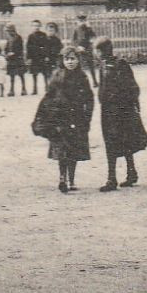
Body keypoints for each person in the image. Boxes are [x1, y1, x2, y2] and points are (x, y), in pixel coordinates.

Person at [34, 45, 95, 192]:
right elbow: (48, 97)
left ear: (78, 60)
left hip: (77, 118)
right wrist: (45, 116)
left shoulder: (82, 77)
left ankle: (72, 180)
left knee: (73, 150)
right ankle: (62, 178)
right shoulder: (57, 76)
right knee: (62, 150)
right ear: (62, 60)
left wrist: (87, 117)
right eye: (67, 59)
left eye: (73, 59)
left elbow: (89, 98)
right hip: (60, 119)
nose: (70, 62)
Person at [96, 38, 147, 190]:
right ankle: (116, 176)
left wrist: (127, 103)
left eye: (98, 51)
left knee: (124, 142)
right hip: (107, 111)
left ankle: (120, 176)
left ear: (105, 50)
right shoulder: (103, 65)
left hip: (121, 111)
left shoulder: (121, 64)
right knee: (110, 142)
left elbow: (133, 87)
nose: (97, 54)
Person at [73, 14, 100, 87]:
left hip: (87, 49)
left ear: (85, 21)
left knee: (91, 66)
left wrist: (91, 42)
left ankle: (94, 81)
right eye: (80, 21)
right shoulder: (76, 29)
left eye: (83, 20)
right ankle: (82, 83)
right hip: (79, 50)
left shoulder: (88, 29)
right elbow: (74, 40)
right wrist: (78, 47)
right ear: (77, 21)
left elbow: (93, 37)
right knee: (80, 67)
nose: (82, 22)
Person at [25, 20, 51, 95]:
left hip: (42, 57)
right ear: (32, 27)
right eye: (34, 26)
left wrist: (46, 56)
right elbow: (28, 47)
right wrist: (28, 58)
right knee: (34, 74)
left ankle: (47, 88)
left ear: (40, 26)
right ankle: (35, 89)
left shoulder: (43, 35)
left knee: (45, 74)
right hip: (34, 57)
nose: (36, 27)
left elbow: (47, 46)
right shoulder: (30, 36)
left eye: (37, 26)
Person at [5, 23, 28, 96]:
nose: (8, 32)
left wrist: (14, 53)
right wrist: (7, 53)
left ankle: (24, 89)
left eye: (9, 31)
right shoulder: (8, 38)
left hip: (18, 59)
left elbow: (20, 48)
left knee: (21, 75)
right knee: (12, 76)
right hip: (11, 60)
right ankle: (11, 90)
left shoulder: (18, 37)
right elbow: (6, 47)